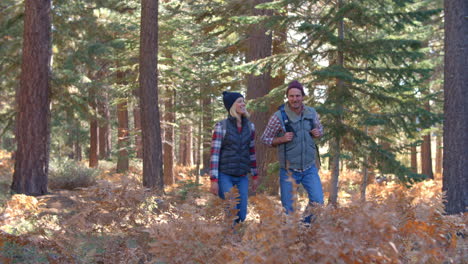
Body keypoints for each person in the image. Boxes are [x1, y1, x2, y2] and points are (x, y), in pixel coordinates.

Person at [261, 80, 324, 222]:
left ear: (303, 96)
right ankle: (292, 235)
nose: (295, 99)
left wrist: (318, 132)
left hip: (309, 167)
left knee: (318, 203)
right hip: (289, 170)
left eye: (297, 96)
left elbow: (320, 129)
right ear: (287, 97)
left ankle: (304, 227)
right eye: (291, 96)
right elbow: (265, 138)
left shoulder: (311, 112)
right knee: (288, 210)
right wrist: (281, 139)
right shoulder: (279, 117)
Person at [209, 91, 259, 223]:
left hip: (242, 176)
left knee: (241, 215)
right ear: (232, 106)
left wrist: (254, 175)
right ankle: (230, 241)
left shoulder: (250, 126)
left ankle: (234, 238)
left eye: (243, 101)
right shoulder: (221, 126)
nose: (243, 104)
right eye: (239, 101)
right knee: (231, 210)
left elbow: (252, 152)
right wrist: (214, 180)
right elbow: (215, 154)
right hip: (225, 175)